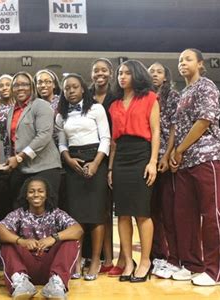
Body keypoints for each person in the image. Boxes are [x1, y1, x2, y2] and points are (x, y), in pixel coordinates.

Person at [169, 48, 220, 286]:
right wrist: (175, 154)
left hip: (208, 157)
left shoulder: (206, 86)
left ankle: (219, 271)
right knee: (186, 217)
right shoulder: (184, 92)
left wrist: (180, 149)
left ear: (200, 63)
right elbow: (178, 126)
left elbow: (204, 121)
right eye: (180, 60)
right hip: (186, 162)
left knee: (213, 215)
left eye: (188, 59)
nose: (182, 63)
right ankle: (194, 265)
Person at [108, 60, 160, 283]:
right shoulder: (114, 105)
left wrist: (152, 161)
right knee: (122, 212)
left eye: (127, 73)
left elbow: (156, 131)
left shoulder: (149, 98)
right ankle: (129, 261)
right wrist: (110, 168)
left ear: (137, 75)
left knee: (142, 212)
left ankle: (146, 260)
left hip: (141, 154)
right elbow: (113, 141)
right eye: (120, 73)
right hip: (120, 157)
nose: (122, 76)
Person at [56, 73, 111, 281]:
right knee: (76, 215)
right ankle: (77, 259)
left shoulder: (96, 108)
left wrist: (96, 163)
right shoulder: (61, 114)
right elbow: (61, 142)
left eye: (75, 87)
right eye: (67, 88)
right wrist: (68, 159)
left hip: (95, 159)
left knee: (96, 213)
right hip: (73, 163)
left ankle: (96, 259)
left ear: (82, 89)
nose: (71, 91)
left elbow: (106, 138)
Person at [0, 177, 83, 300]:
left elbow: (78, 229)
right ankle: (20, 284)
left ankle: (56, 283)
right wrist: (22, 241)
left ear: (47, 194)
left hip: (51, 267)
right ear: (26, 195)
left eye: (40, 191)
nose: (36, 194)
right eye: (31, 191)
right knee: (7, 242)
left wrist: (54, 238)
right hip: (25, 268)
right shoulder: (19, 213)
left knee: (70, 240)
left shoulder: (56, 213)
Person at [6, 71, 62, 208]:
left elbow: (44, 135)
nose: (20, 88)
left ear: (32, 87)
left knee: (46, 211)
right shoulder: (11, 111)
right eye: (16, 85)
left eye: (24, 84)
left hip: (45, 167)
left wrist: (19, 157)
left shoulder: (41, 105)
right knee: (19, 209)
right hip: (22, 169)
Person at [147, 62, 181, 279]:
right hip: (147, 160)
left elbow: (173, 129)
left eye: (159, 71)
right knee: (151, 212)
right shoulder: (144, 98)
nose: (155, 75)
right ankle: (155, 255)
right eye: (151, 72)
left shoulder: (172, 97)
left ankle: (172, 257)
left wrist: (167, 155)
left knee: (168, 211)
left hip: (164, 161)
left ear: (166, 77)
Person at [88, 58, 119, 275]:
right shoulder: (85, 96)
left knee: (106, 211)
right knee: (93, 210)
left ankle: (109, 258)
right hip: (89, 155)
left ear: (111, 73)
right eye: (96, 70)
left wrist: (110, 166)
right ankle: (92, 256)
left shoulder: (117, 96)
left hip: (111, 155)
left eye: (104, 70)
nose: (100, 73)